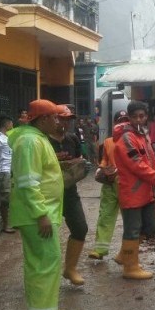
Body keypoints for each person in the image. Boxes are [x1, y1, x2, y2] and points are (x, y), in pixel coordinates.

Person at [8, 99, 68, 310]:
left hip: (43, 213)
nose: (57, 121)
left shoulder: (36, 139)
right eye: (54, 117)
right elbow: (28, 183)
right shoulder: (31, 141)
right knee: (43, 264)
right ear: (42, 119)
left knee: (49, 262)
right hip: (38, 215)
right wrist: (40, 213)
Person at [112, 101, 155, 279]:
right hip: (132, 191)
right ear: (129, 118)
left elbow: (151, 159)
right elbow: (137, 164)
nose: (139, 119)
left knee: (149, 227)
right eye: (135, 116)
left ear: (146, 117)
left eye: (142, 116)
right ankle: (130, 267)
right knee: (133, 229)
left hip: (146, 191)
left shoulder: (143, 135)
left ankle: (125, 254)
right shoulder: (127, 138)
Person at [49, 104, 88, 286]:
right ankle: (46, 276)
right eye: (61, 118)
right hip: (48, 195)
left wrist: (80, 166)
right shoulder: (43, 141)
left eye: (67, 119)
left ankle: (70, 269)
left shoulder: (72, 139)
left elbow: (79, 161)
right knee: (47, 237)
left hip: (70, 192)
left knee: (80, 228)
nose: (64, 123)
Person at [88, 110, 128, 261]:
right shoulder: (108, 142)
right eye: (119, 121)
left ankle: (126, 252)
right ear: (114, 123)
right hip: (110, 183)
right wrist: (101, 167)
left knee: (129, 221)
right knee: (105, 215)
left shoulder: (133, 140)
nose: (122, 124)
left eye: (125, 120)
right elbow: (105, 159)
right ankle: (100, 250)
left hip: (126, 184)